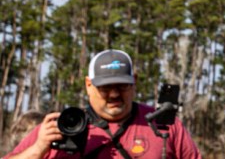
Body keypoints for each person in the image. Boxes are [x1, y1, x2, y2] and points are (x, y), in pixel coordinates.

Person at [4, 50, 200, 159]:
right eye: (105, 87)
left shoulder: (163, 124)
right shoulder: (64, 127)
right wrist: (38, 149)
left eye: (122, 85)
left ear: (134, 82)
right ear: (88, 85)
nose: (114, 94)